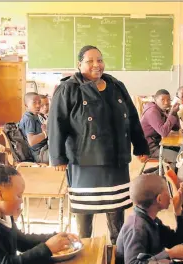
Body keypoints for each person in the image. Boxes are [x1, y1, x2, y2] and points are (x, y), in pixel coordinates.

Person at [48, 45, 149, 244]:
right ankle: (84, 251)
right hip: (84, 161)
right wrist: (58, 157)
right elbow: (56, 123)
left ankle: (118, 255)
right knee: (85, 216)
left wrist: (141, 146)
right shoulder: (68, 88)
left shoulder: (116, 85)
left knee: (116, 214)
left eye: (100, 60)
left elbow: (132, 117)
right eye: (90, 61)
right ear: (79, 64)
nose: (97, 65)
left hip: (116, 160)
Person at [116, 174, 183, 264]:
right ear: (159, 199)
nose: (171, 196)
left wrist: (178, 212)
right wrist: (169, 254)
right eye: (168, 192)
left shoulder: (151, 220)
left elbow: (182, 242)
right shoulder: (137, 228)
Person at [140, 89, 180, 162]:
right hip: (149, 148)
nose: (166, 103)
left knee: (182, 150)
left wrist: (174, 113)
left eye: (168, 100)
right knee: (179, 158)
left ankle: (162, 170)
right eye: (163, 100)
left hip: (158, 143)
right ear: (155, 100)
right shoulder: (152, 112)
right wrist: (172, 114)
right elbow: (163, 132)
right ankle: (157, 172)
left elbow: (176, 128)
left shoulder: (161, 110)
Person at [19, 92, 49, 163]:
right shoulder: (29, 118)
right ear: (26, 105)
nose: (38, 105)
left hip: (44, 148)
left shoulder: (34, 115)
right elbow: (32, 141)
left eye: (39, 102)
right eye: (34, 103)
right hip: (39, 154)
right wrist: (46, 133)